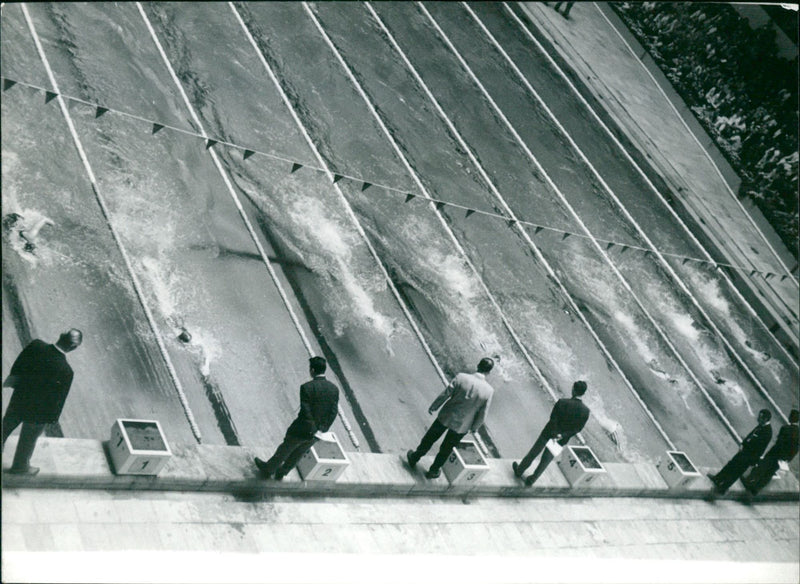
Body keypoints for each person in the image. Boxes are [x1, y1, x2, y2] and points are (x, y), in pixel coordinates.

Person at [2, 329, 83, 475]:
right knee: (28, 441)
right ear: (73, 347)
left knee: (4, 428)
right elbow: (58, 400)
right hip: (37, 413)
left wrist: (14, 381)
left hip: (19, 399)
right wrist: (52, 419)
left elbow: (19, 364)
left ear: (61, 336)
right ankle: (20, 467)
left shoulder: (37, 346)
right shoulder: (66, 371)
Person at [406, 357, 495, 479]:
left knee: (429, 438)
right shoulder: (489, 391)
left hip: (446, 416)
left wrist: (434, 406)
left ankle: (415, 457)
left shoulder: (462, 377)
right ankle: (434, 470)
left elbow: (446, 394)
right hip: (462, 425)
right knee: (446, 449)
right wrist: (474, 427)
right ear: (489, 372)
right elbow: (483, 413)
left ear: (478, 366)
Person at [254, 356, 339, 480]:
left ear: (313, 370)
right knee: (299, 453)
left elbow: (306, 411)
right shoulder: (334, 389)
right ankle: (282, 473)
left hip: (303, 429)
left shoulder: (307, 387)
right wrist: (322, 429)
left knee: (285, 449)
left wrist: (312, 428)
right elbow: (333, 412)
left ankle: (269, 469)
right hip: (318, 432)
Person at [513, 380, 590, 486]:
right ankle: (532, 480)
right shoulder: (585, 411)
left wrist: (554, 433)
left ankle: (519, 470)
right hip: (561, 440)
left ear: (573, 390)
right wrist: (562, 435)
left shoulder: (562, 402)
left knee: (533, 453)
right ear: (583, 393)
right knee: (546, 460)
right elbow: (577, 429)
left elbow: (553, 419)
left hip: (548, 433)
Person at [708, 409, 771, 494]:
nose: (758, 419)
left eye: (760, 417)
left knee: (736, 472)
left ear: (766, 419)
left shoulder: (767, 432)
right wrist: (743, 443)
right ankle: (718, 478)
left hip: (749, 456)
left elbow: (760, 448)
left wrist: (752, 459)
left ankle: (723, 487)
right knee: (731, 464)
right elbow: (751, 435)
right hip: (744, 451)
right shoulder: (761, 426)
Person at [742, 409, 799, 495]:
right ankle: (756, 489)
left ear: (791, 417)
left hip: (775, 453)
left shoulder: (785, 428)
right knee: (770, 472)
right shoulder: (798, 432)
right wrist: (787, 458)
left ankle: (749, 481)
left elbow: (779, 442)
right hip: (783, 457)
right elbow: (796, 448)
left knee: (762, 467)